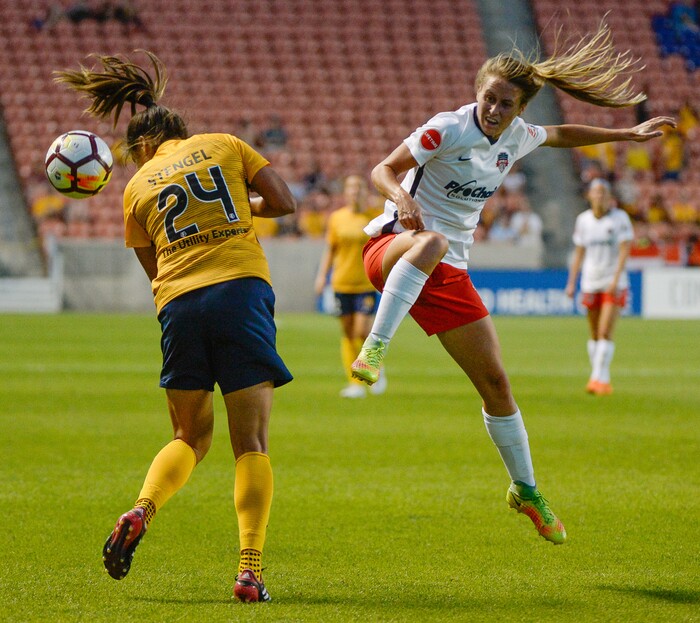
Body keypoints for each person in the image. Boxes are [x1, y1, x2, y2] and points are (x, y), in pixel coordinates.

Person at [350, 21, 675, 545]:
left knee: (497, 386)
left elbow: (564, 134)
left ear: (520, 110)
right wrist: (403, 198)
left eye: (505, 103)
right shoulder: (447, 128)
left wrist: (626, 132)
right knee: (431, 242)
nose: (493, 109)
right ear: (477, 92)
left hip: (447, 272)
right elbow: (383, 169)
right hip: (393, 248)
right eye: (488, 98)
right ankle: (373, 349)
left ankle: (526, 489)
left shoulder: (519, 137)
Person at [55, 50, 296, 603]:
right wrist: (236, 205)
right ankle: (249, 570)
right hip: (241, 290)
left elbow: (155, 273)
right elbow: (283, 202)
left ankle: (141, 508)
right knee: (250, 442)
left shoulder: (136, 187)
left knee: (189, 436)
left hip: (180, 305)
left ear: (141, 146)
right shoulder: (224, 144)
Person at [314, 174, 386, 398]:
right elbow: (330, 249)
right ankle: (355, 382)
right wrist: (321, 276)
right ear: (345, 193)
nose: (355, 192)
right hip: (341, 282)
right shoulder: (337, 218)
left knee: (363, 331)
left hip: (365, 282)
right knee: (347, 333)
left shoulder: (375, 217)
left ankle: (375, 369)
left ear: (366, 191)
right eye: (351, 188)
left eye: (359, 188)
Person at [565, 179, 633, 396]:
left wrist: (616, 278)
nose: (600, 196)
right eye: (596, 192)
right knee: (594, 333)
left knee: (605, 331)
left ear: (609, 196)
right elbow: (579, 253)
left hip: (613, 282)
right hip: (590, 281)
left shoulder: (620, 218)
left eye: (603, 192)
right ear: (590, 196)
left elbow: (625, 250)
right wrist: (572, 282)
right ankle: (600, 377)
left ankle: (598, 378)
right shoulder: (583, 220)